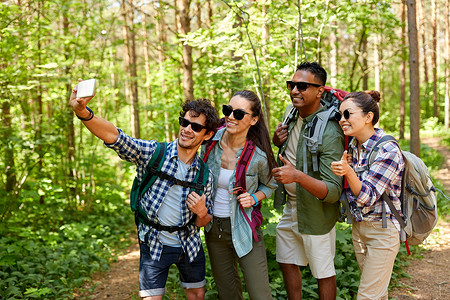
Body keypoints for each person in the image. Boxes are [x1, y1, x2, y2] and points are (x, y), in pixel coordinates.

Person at [69, 81, 220, 300]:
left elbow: (204, 221)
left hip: (189, 243)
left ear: (206, 135)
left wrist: (202, 212)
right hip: (154, 242)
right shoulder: (153, 153)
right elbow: (115, 137)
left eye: (196, 127)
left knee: (196, 294)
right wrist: (83, 112)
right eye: (184, 122)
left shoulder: (205, 176)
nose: (187, 129)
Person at [272, 62, 344, 300]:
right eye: (291, 85)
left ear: (319, 91)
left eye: (302, 86)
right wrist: (276, 140)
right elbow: (292, 151)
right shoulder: (290, 114)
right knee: (286, 260)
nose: (294, 91)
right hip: (291, 207)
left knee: (323, 272)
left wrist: (297, 177)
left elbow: (333, 191)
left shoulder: (330, 131)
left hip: (316, 212)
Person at [201, 90, 277, 300]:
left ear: (253, 120)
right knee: (228, 294)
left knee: (260, 294)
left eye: (239, 113)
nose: (231, 117)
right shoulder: (208, 143)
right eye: (228, 110)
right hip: (214, 229)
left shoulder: (258, 157)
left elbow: (272, 184)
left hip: (245, 228)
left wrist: (254, 198)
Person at [331, 91, 404, 300]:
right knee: (377, 295)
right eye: (340, 116)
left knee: (367, 296)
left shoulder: (388, 150)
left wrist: (348, 172)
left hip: (383, 231)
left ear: (368, 117)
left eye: (347, 114)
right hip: (360, 228)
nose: (342, 120)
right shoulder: (354, 146)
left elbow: (368, 196)